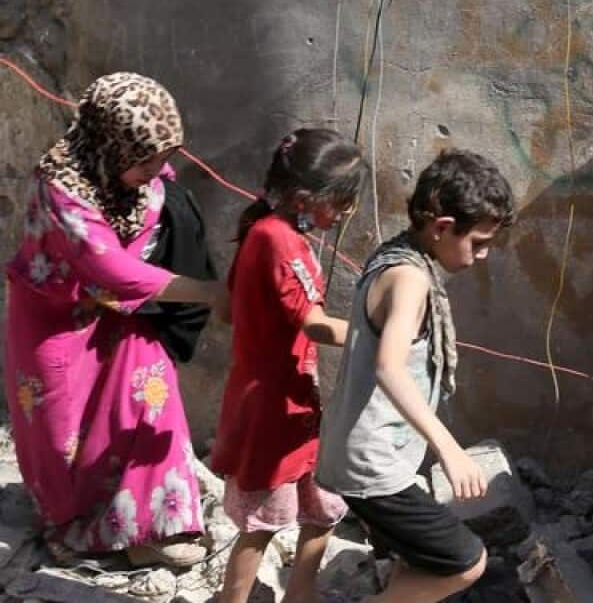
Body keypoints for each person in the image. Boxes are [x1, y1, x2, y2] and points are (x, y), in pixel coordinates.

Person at [4, 72, 225, 567]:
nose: (159, 171)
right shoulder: (59, 187)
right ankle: (69, 526)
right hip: (56, 318)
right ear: (112, 146)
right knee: (63, 431)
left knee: (150, 396)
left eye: (165, 158)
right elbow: (108, 267)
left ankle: (153, 522)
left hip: (121, 313)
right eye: (148, 161)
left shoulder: (135, 173)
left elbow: (143, 236)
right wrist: (208, 294)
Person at [316, 149, 516, 603]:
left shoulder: (395, 253)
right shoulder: (410, 279)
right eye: (478, 242)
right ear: (443, 227)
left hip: (367, 455)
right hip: (371, 464)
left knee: (421, 561)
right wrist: (450, 450)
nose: (482, 255)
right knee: (466, 562)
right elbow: (389, 366)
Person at [212, 129, 368, 603]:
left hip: (294, 396)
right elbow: (316, 325)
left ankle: (302, 595)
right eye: (342, 205)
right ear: (306, 198)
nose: (344, 216)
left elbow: (226, 308)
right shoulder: (278, 241)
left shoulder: (266, 232)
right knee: (262, 523)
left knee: (322, 509)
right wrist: (381, 337)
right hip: (272, 407)